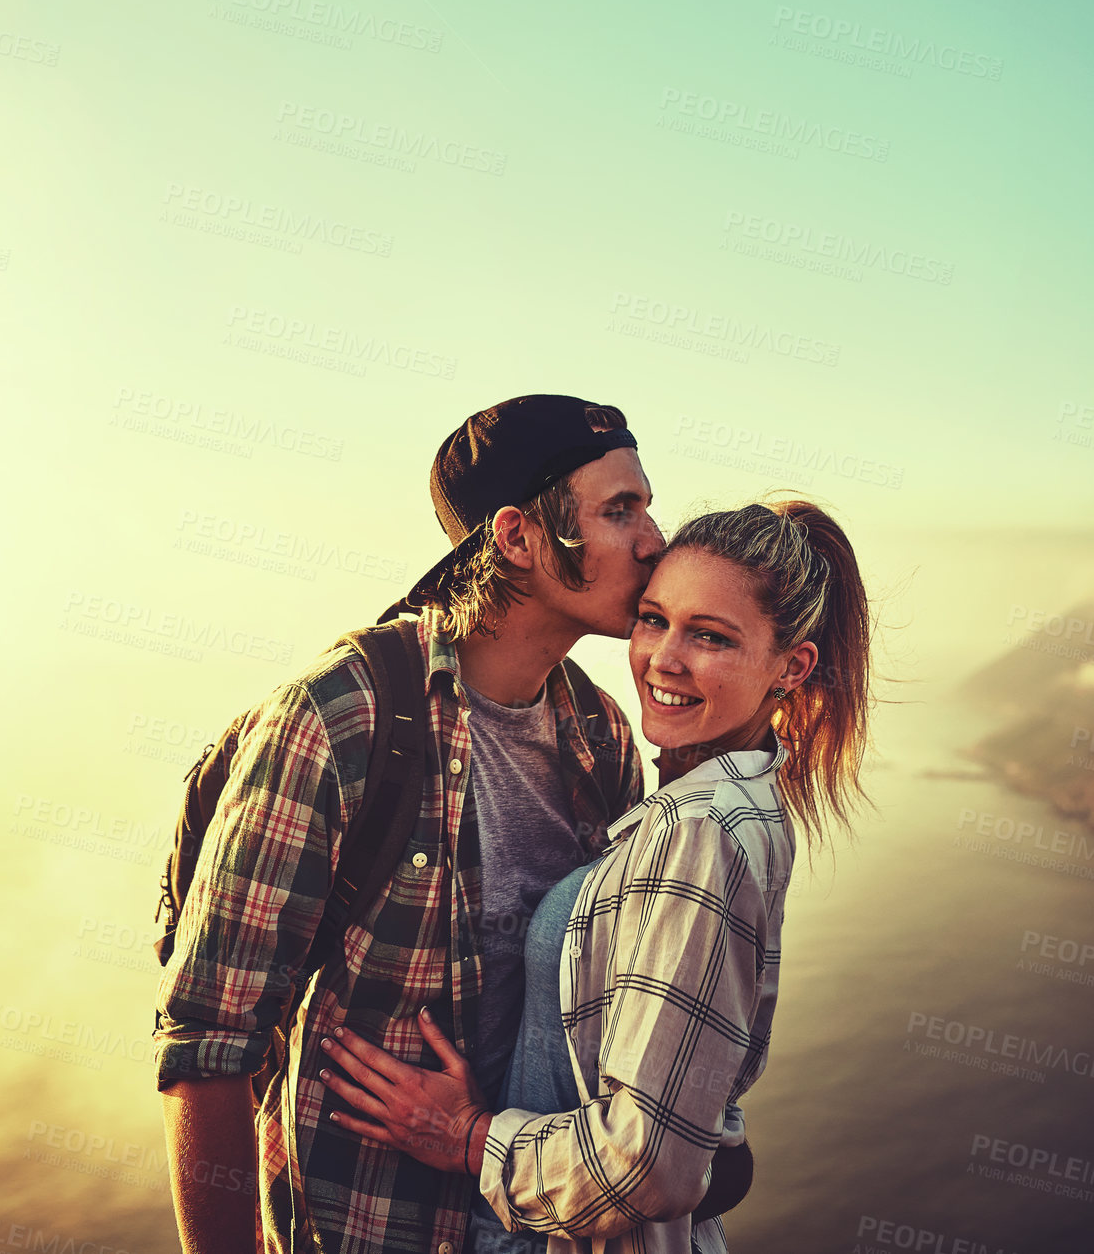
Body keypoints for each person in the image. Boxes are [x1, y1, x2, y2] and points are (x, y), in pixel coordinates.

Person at [154, 393, 665, 1254]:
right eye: (620, 510)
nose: (654, 539)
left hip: (536, 1223)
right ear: (516, 538)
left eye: (645, 506)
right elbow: (208, 1044)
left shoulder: (600, 735)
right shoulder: (340, 718)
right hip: (365, 1227)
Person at [318, 498, 874, 1254]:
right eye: (653, 620)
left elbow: (647, 1166)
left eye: (709, 637)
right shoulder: (726, 806)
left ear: (791, 667)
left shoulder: (701, 830)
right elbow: (695, 1118)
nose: (662, 660)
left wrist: (463, 1135)